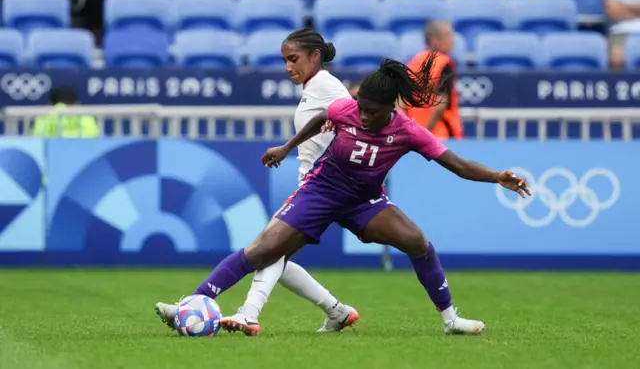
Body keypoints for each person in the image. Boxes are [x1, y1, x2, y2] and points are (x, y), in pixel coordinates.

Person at [156, 51, 532, 335]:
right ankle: (193, 302)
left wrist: (498, 176)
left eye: (371, 111)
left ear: (391, 107)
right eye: (361, 108)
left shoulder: (408, 132)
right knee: (262, 251)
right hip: (320, 192)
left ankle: (451, 320)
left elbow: (459, 165)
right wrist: (287, 148)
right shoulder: (346, 109)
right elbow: (323, 118)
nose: (362, 115)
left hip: (365, 202)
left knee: (418, 242)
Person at [156, 28, 359, 336]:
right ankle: (337, 311)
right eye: (285, 61)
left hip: (325, 189)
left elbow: (358, 121)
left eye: (294, 59)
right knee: (275, 255)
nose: (289, 67)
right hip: (314, 187)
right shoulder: (315, 86)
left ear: (315, 56)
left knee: (265, 249)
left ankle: (238, 311)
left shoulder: (327, 86)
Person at [400, 20, 463, 140]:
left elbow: (400, 101)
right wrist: (426, 132)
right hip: (441, 135)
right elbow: (440, 103)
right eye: (448, 35)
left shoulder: (414, 62)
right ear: (434, 40)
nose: (452, 40)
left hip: (413, 135)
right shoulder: (444, 63)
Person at [30, 87, 100, 137]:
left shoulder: (43, 117)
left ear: (50, 103)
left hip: (51, 154)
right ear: (76, 102)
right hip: (85, 154)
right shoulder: (87, 117)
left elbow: (34, 139)